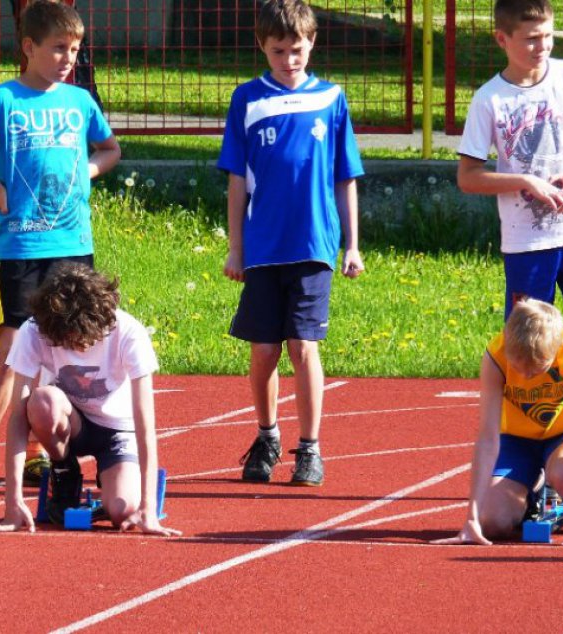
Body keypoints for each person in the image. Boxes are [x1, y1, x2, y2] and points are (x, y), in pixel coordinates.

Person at [0, 0, 121, 488]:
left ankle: (40, 447)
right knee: (13, 343)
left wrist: (89, 175)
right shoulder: (3, 101)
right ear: (29, 47)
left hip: (72, 242)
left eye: (74, 49)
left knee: (64, 345)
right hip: (21, 246)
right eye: (58, 48)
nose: (67, 58)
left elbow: (110, 148)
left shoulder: (80, 103)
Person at [217, 0, 364, 486]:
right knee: (263, 351)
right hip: (262, 247)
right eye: (279, 50)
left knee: (304, 345)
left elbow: (346, 176)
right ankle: (267, 435)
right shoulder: (247, 99)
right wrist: (236, 248)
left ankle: (310, 447)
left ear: (312, 43)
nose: (289, 59)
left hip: (314, 244)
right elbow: (237, 179)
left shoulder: (331, 98)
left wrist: (352, 245)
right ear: (263, 46)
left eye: (297, 48)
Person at [456, 0, 563, 426]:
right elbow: (468, 177)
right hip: (528, 244)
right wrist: (526, 182)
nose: (541, 45)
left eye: (547, 35)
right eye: (530, 38)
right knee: (528, 346)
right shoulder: (490, 98)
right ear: (502, 39)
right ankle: (530, 441)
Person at [0, 263, 180, 536]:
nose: (75, 347)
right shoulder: (34, 330)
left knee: (123, 512)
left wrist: (148, 507)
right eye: (65, 340)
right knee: (42, 402)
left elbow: (145, 423)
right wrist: (12, 502)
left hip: (117, 430)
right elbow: (18, 416)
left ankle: (115, 481)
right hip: (69, 421)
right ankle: (64, 470)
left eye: (80, 338)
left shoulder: (128, 332)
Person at [434, 299, 563, 547]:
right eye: (518, 368)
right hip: (515, 438)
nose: (524, 377)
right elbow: (488, 437)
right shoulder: (496, 355)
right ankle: (535, 497)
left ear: (554, 351)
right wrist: (472, 519)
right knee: (492, 523)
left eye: (535, 372)